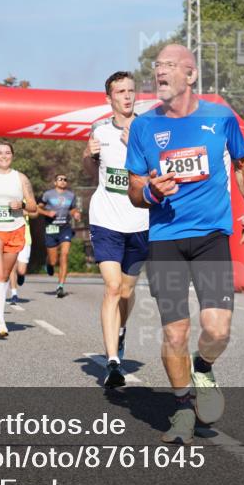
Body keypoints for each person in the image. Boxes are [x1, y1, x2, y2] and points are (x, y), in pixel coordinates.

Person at [126, 44, 244, 444]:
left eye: (169, 65)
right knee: (174, 334)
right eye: (157, 66)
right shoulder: (143, 126)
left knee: (217, 331)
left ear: (191, 74)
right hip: (165, 239)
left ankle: (203, 367)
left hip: (210, 239)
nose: (160, 72)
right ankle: (183, 409)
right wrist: (150, 191)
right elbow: (134, 188)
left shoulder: (220, 117)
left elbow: (243, 163)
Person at [83, 71, 149, 388]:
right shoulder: (100, 130)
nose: (127, 95)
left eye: (130, 90)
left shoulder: (149, 128)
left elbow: (160, 171)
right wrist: (86, 155)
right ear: (109, 98)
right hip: (106, 219)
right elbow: (90, 170)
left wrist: (138, 145)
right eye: (120, 91)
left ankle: (120, 331)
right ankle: (112, 362)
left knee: (127, 290)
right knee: (112, 288)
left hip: (140, 222)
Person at [0, 141, 37, 338]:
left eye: (7, 153)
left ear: (12, 155)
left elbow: (33, 206)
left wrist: (20, 204)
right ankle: (1, 321)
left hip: (15, 229)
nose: (3, 156)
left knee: (3, 276)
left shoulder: (20, 178)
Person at [39, 173, 81, 298]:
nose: (63, 181)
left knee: (65, 254)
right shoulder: (48, 194)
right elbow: (37, 208)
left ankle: (60, 286)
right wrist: (47, 212)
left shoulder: (71, 195)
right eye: (60, 179)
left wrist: (76, 214)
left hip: (65, 228)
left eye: (65, 180)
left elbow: (72, 209)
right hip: (51, 227)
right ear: (55, 182)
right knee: (53, 260)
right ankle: (49, 263)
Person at [8, 210, 35, 304]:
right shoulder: (6, 199)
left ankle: (21, 275)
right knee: (12, 267)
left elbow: (35, 213)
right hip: (10, 237)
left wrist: (26, 212)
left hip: (25, 238)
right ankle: (14, 294)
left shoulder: (26, 200)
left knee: (21, 270)